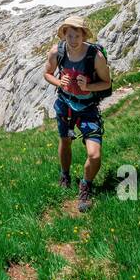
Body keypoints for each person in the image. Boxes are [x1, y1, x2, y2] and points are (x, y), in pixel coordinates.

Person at [43, 15, 112, 212]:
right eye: (69, 36)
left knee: (95, 155)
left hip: (88, 109)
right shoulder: (57, 52)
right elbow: (47, 73)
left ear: (83, 35)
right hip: (65, 105)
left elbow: (107, 83)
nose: (73, 40)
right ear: (64, 34)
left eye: (77, 36)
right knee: (65, 141)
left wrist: (89, 86)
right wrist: (59, 82)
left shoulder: (95, 57)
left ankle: (85, 186)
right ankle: (65, 175)